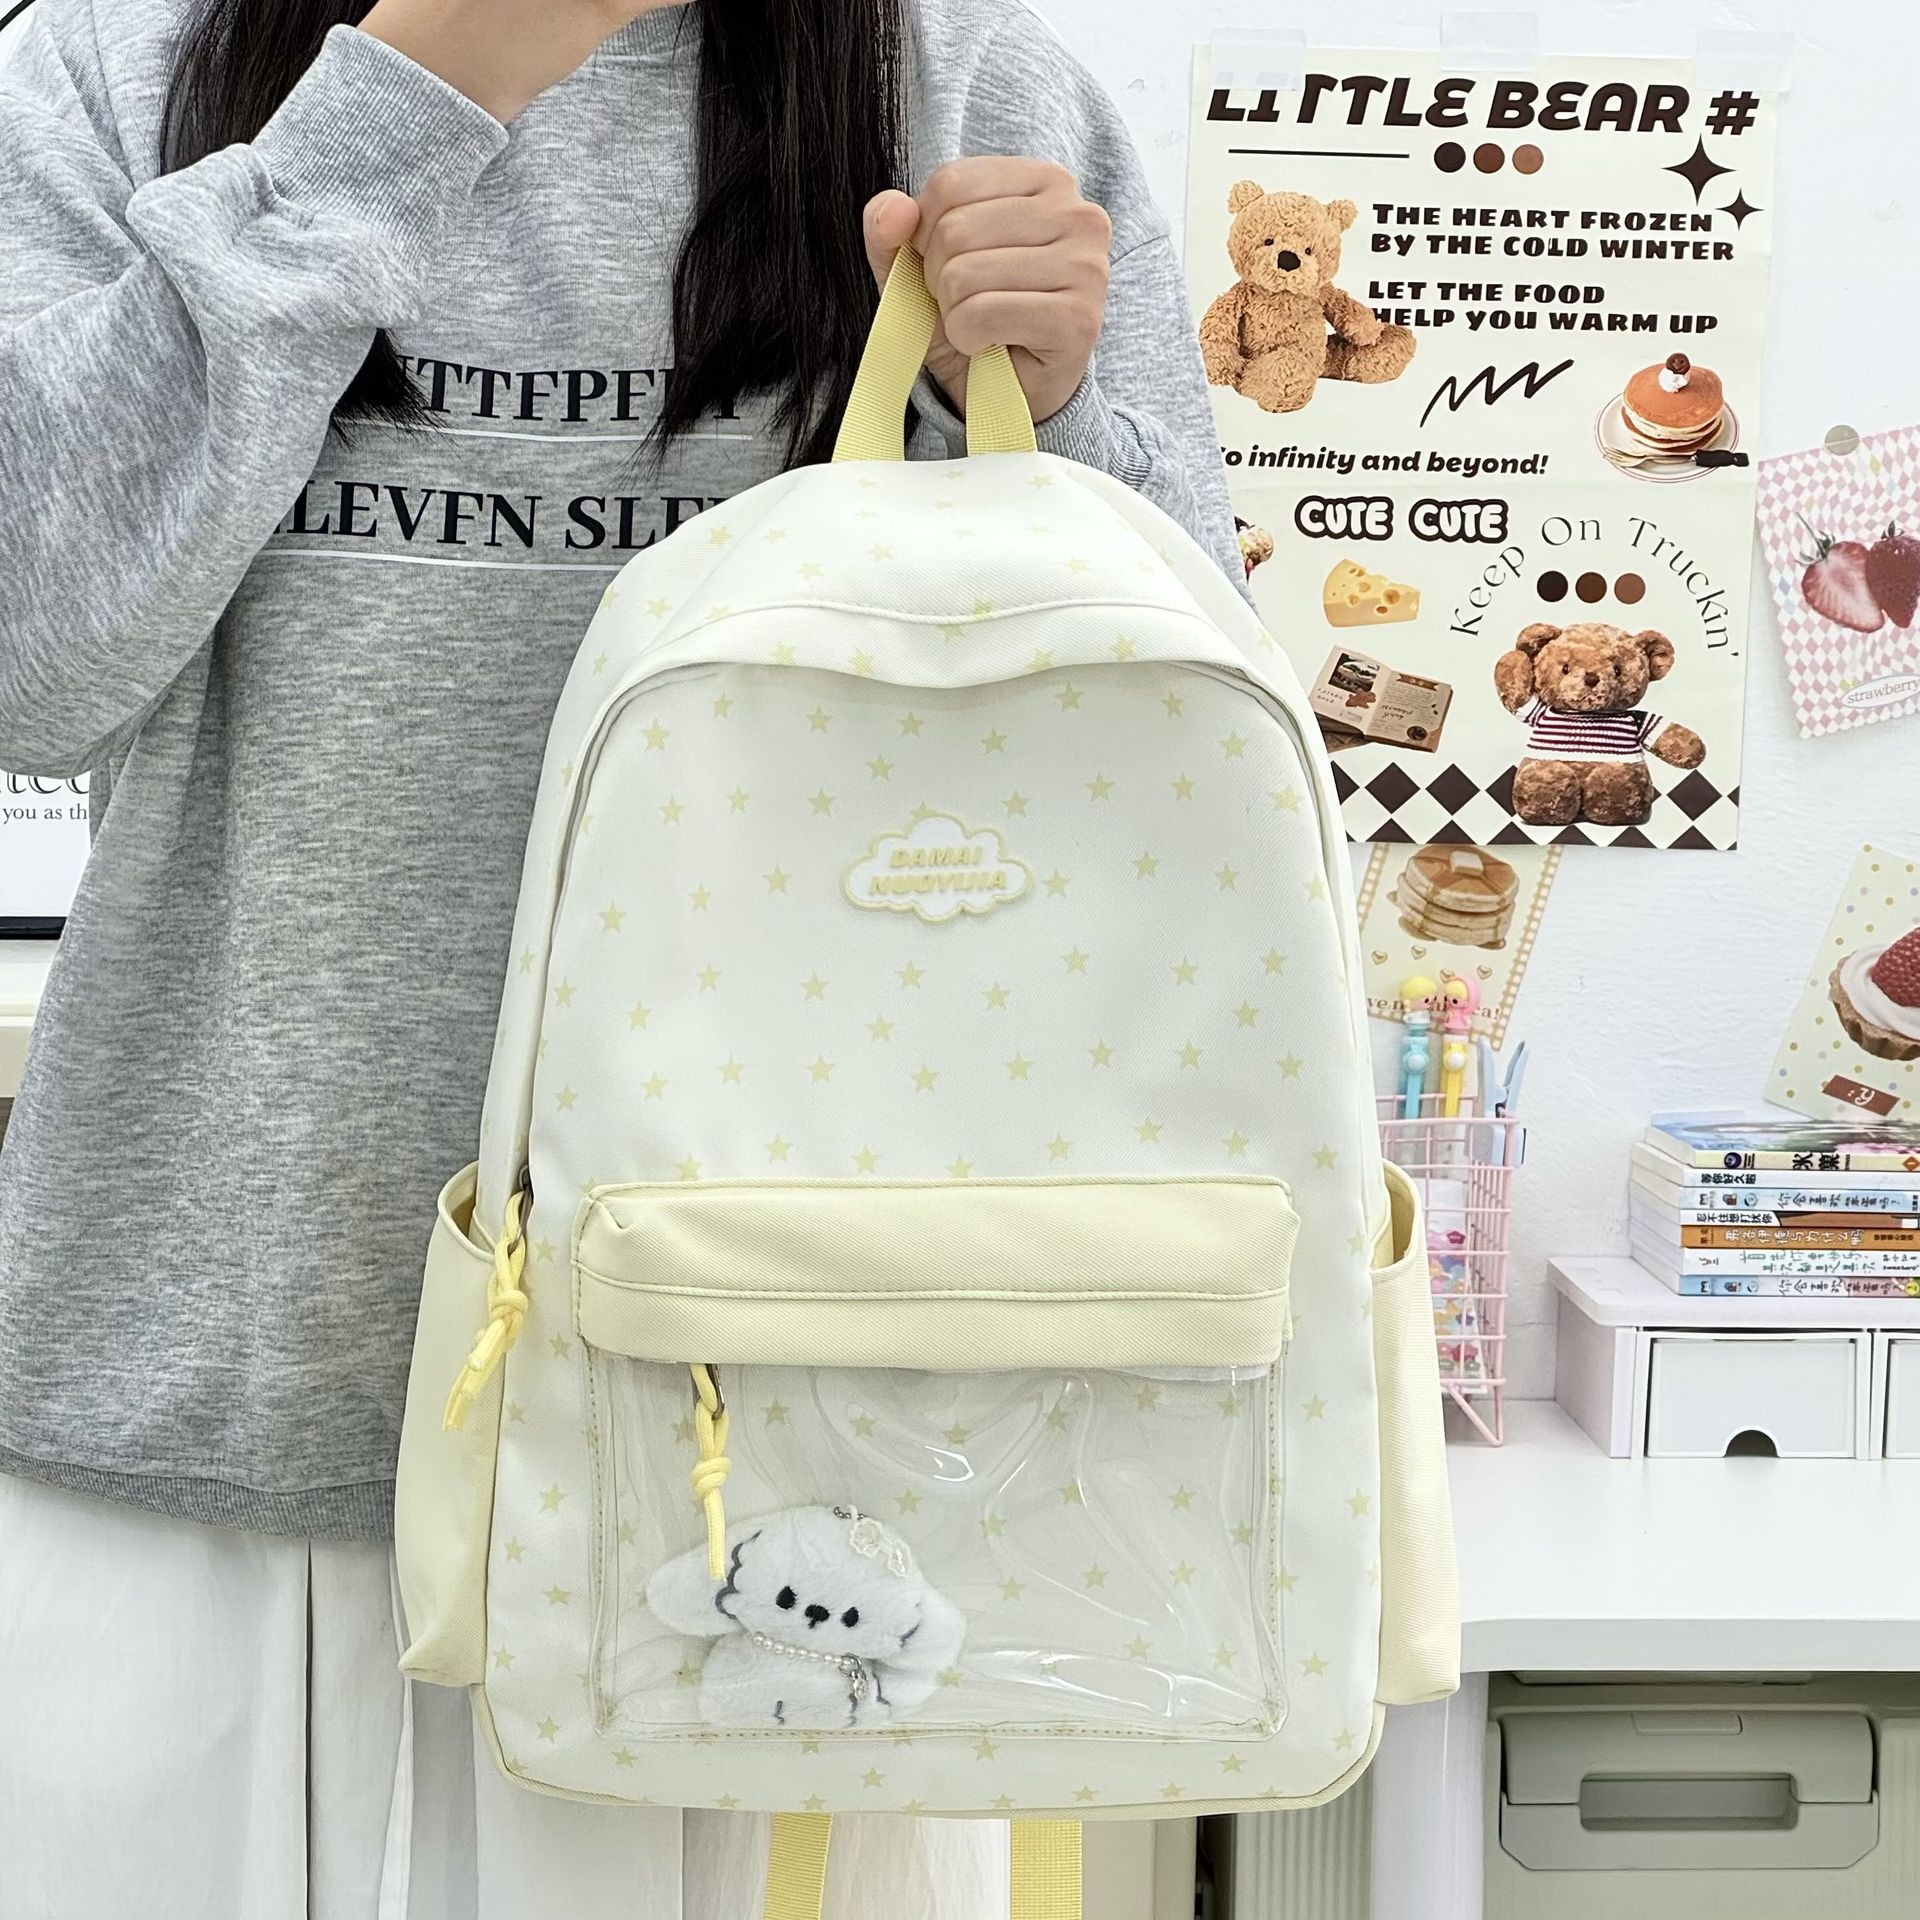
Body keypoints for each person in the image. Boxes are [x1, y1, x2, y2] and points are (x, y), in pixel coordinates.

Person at [0, 0, 1237, 1913]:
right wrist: (411, 95)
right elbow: (31, 665)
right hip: (211, 1388)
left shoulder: (958, 78)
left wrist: (1067, 419)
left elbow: (1181, 768)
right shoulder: (112, 60)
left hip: (784, 1446)